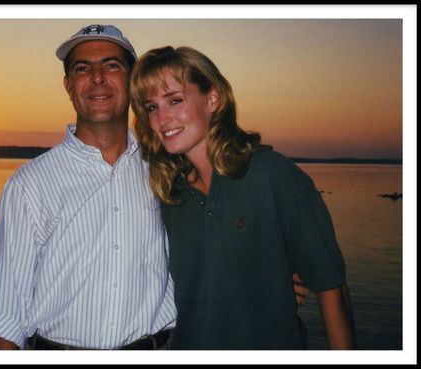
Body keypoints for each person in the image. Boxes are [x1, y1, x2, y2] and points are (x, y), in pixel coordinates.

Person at [0, 24, 310, 350]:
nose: (97, 77)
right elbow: (4, 317)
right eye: (82, 68)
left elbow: (210, 247)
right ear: (68, 85)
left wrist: (269, 273)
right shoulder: (28, 186)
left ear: (131, 80)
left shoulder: (169, 172)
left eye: (111, 65)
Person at [130, 46, 355, 350]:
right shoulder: (170, 196)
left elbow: (332, 289)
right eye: (152, 107)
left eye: (175, 100)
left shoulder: (271, 174)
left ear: (213, 99)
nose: (162, 118)